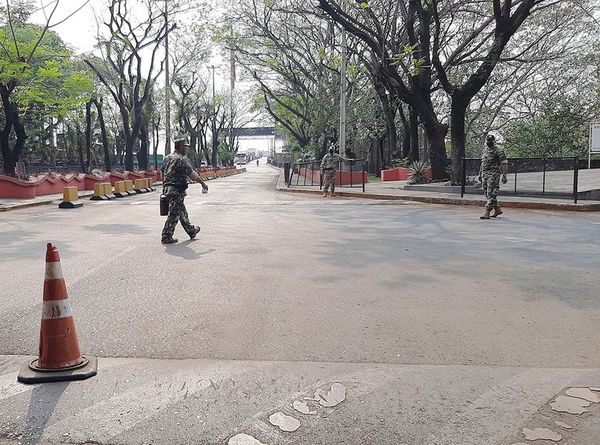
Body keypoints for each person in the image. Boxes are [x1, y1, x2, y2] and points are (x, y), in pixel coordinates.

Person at [160, 139, 209, 244]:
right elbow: (192, 175)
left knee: (181, 211)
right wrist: (203, 184)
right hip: (176, 190)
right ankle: (166, 236)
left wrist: (164, 185)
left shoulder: (167, 158)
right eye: (186, 147)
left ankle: (191, 231)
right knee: (174, 214)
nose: (187, 149)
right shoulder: (180, 159)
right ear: (181, 147)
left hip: (168, 189)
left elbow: (162, 172)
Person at [479, 134, 508, 219]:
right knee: (486, 192)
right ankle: (497, 209)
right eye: (487, 141)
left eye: (490, 141)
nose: (489, 142)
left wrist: (504, 176)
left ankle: (487, 212)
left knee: (491, 192)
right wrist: (480, 174)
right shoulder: (485, 150)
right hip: (485, 174)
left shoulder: (499, 150)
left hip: (494, 174)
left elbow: (504, 163)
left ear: (494, 141)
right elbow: (482, 162)